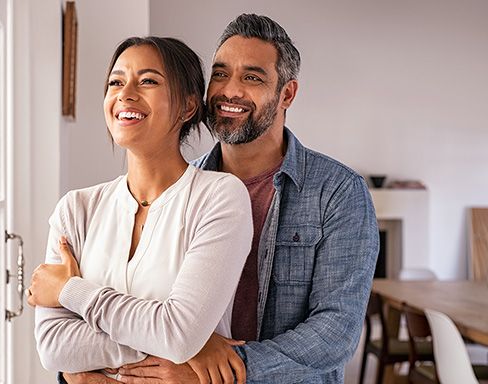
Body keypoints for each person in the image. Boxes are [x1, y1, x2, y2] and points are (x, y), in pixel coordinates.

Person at [107, 14, 379, 384]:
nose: (229, 90)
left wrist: (231, 366)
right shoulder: (179, 190)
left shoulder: (337, 192)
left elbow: (335, 333)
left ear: (287, 94)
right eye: (220, 74)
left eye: (252, 77)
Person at [28, 36, 254, 383]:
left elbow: (178, 333)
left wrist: (70, 290)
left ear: (188, 106)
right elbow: (53, 346)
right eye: (116, 82)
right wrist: (183, 343)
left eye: (147, 81)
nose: (125, 94)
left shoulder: (220, 198)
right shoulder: (75, 210)